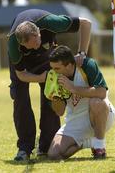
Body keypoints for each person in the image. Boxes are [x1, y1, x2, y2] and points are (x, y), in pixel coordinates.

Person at [7, 9, 91, 161]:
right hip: (22, 67)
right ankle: (24, 148)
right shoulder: (13, 43)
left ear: (39, 31)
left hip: (46, 59)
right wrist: (40, 77)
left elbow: (86, 23)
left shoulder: (51, 22)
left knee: (52, 96)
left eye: (37, 43)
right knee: (20, 100)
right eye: (29, 47)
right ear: (20, 43)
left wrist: (82, 53)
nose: (35, 48)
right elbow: (21, 75)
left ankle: (46, 146)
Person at [44, 45, 115, 160]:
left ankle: (99, 147)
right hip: (75, 119)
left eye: (57, 68)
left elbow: (101, 92)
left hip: (101, 115)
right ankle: (89, 142)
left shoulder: (87, 65)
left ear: (69, 65)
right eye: (52, 68)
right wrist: (55, 97)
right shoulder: (56, 78)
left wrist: (73, 88)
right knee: (54, 154)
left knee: (97, 102)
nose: (54, 71)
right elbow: (60, 112)